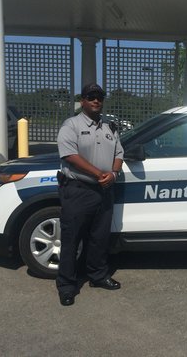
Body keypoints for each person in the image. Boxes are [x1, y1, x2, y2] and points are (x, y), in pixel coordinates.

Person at [56, 83, 124, 306]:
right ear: (82, 100)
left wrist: (113, 174)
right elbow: (69, 155)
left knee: (99, 238)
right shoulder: (71, 125)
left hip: (104, 190)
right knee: (71, 239)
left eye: (100, 97)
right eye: (91, 96)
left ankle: (98, 276)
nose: (96, 100)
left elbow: (119, 153)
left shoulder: (110, 127)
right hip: (78, 190)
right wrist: (98, 174)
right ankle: (66, 286)